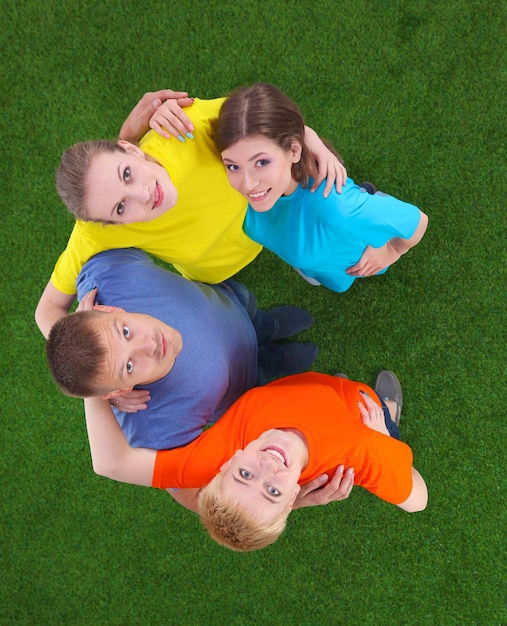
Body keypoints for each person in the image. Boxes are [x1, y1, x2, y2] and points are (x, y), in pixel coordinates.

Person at [35, 89, 347, 338]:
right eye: (120, 207)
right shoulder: (97, 230)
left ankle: (301, 253)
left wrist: (310, 139)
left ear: (130, 149)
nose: (143, 194)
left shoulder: (186, 126)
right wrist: (98, 356)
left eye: (127, 174)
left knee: (306, 233)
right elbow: (46, 310)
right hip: (218, 270)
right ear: (112, 223)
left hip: (269, 211)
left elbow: (264, 120)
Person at [82, 370, 427, 551]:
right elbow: (418, 501)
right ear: (294, 496)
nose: (268, 468)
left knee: (330, 387)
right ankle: (390, 416)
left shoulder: (216, 453)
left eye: (245, 474)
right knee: (378, 413)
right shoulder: (362, 451)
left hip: (314, 390)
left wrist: (91, 381)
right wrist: (383, 441)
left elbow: (109, 463)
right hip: (362, 415)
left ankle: (335, 386)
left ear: (228, 463)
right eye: (273, 492)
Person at [46, 248, 318, 448]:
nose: (148, 345)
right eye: (128, 366)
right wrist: (107, 396)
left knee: (255, 314)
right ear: (121, 389)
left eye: (125, 331)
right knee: (267, 370)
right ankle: (277, 359)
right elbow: (197, 492)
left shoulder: (108, 274)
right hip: (245, 383)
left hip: (231, 305)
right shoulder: (156, 428)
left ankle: (268, 326)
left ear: (106, 308)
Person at [215, 83, 429, 293]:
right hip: (313, 263)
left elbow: (418, 221)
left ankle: (368, 195)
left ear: (294, 151)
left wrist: (392, 250)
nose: (248, 184)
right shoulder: (259, 192)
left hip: (345, 248)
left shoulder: (337, 209)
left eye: (261, 162)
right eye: (233, 166)